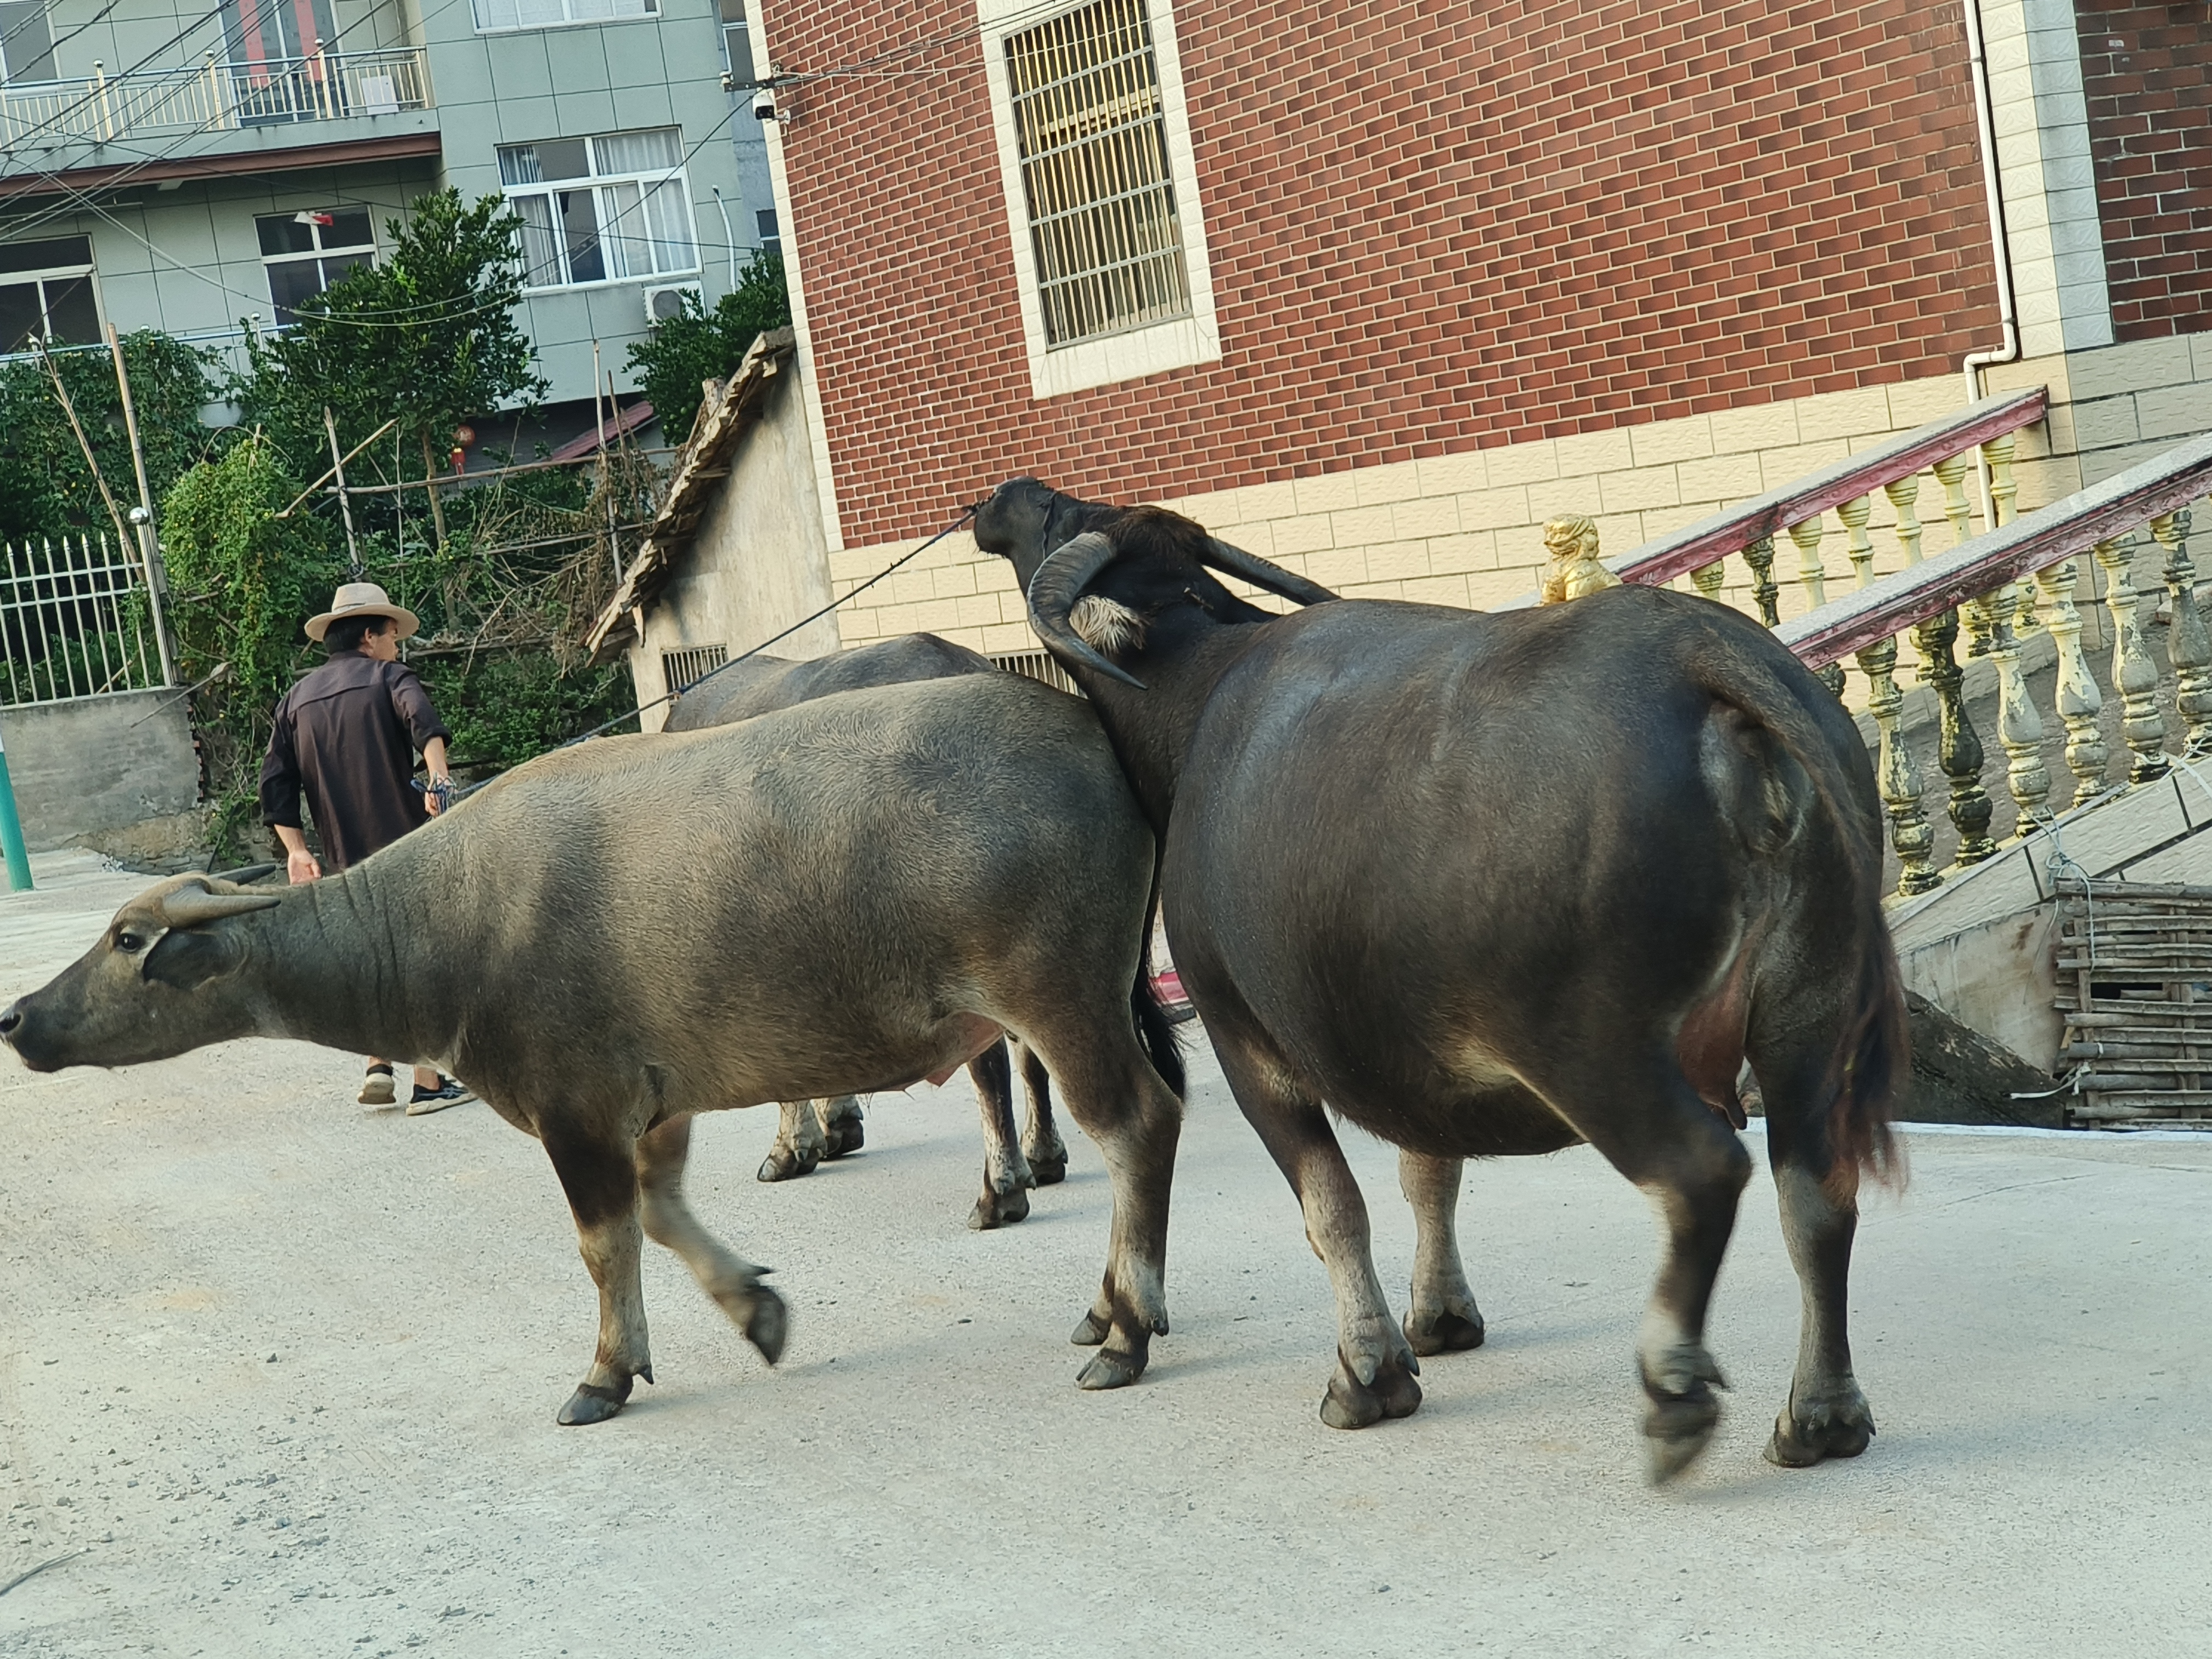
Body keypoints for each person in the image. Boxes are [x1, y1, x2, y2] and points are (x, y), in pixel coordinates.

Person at [258, 582, 474, 1116]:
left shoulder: (296, 701)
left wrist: (296, 851)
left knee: (375, 958)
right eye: (394, 636)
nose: (398, 646)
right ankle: (427, 1083)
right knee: (419, 959)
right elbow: (425, 725)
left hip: (343, 860)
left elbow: (275, 786)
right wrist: (440, 780)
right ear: (371, 637)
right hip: (407, 848)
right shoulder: (388, 677)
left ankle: (379, 1064)